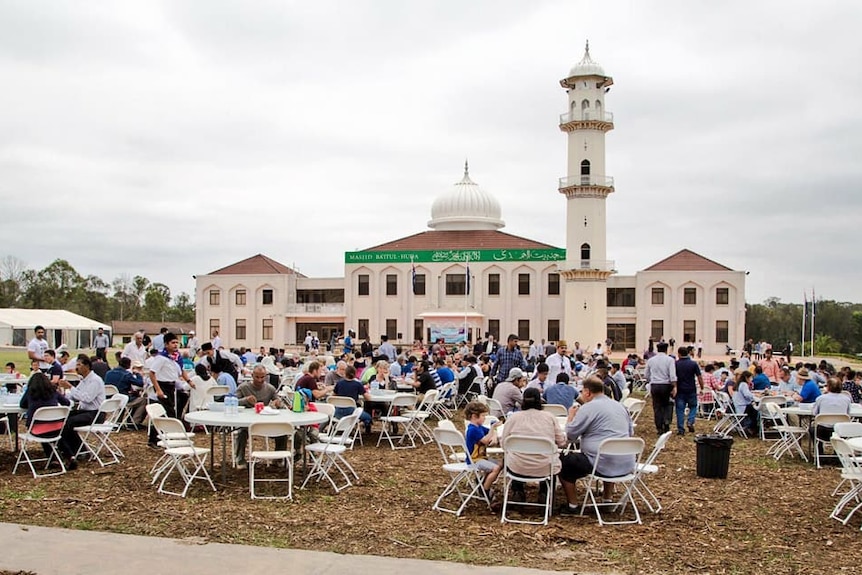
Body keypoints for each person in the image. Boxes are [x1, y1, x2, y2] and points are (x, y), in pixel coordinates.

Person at [559, 376, 635, 514]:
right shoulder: (620, 406)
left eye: (582, 392)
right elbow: (630, 432)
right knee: (609, 450)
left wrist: (571, 416)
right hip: (625, 462)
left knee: (563, 463)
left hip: (599, 462)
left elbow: (571, 434)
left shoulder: (588, 408)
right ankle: (607, 498)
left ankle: (573, 505)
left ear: (587, 392)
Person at [233, 365, 286, 469]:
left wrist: (278, 404)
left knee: (283, 431)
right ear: (252, 376)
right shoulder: (243, 387)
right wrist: (245, 400)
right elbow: (232, 402)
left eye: (262, 377)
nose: (260, 380)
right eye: (257, 377)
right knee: (241, 433)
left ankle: (278, 459)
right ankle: (240, 459)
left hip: (265, 421)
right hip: (247, 422)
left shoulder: (270, 388)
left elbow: (280, 403)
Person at [55, 354, 107, 461]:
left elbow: (87, 398)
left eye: (79, 365)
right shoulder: (84, 380)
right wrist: (61, 394)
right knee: (62, 419)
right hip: (85, 411)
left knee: (69, 423)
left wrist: (70, 387)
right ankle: (71, 449)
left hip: (95, 413)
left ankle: (79, 450)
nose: (76, 367)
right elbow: (74, 396)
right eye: (76, 365)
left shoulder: (95, 380)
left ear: (87, 366)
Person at [19, 372, 74, 469]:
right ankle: (70, 456)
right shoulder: (53, 391)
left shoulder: (30, 392)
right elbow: (67, 402)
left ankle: (53, 459)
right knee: (56, 435)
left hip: (37, 429)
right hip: (57, 426)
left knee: (43, 429)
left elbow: (22, 405)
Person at [146, 333, 190, 447]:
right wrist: (158, 390)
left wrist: (189, 381)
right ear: (166, 344)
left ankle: (166, 435)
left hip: (172, 386)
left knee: (177, 404)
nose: (175, 345)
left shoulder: (176, 357)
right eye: (173, 343)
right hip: (163, 386)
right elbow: (152, 373)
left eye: (177, 342)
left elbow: (181, 370)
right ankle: (155, 439)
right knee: (165, 413)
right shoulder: (161, 358)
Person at [463, 401, 503, 502]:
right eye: (483, 416)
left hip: (481, 457)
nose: (485, 418)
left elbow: (490, 433)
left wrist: (493, 433)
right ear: (474, 416)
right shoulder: (473, 430)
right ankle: (485, 489)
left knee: (501, 463)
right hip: (474, 460)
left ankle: (481, 482)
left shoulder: (479, 427)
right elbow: (485, 440)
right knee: (496, 468)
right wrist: (493, 429)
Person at [645, 342, 677, 434]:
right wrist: (674, 386)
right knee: (667, 404)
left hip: (655, 384)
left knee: (657, 406)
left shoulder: (651, 360)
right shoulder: (670, 360)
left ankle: (659, 427)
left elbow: (646, 375)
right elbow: (672, 375)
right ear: (666, 349)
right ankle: (666, 421)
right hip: (666, 384)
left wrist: (651, 380)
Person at [333, 365, 373, 433]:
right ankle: (359, 427)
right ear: (355, 374)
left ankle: (346, 427)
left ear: (345, 373)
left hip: (337, 412)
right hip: (351, 412)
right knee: (368, 418)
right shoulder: (358, 384)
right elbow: (368, 398)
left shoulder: (339, 384)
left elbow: (333, 396)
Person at [674, 347, 703, 436]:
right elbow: (699, 376)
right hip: (691, 389)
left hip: (680, 390)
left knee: (680, 410)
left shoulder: (676, 364)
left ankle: (681, 428)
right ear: (688, 353)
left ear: (679, 354)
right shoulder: (693, 364)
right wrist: (702, 387)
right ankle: (690, 421)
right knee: (693, 406)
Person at [732, 371, 758, 436]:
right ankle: (752, 428)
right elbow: (747, 395)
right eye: (751, 378)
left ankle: (751, 428)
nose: (751, 379)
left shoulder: (738, 384)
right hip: (743, 407)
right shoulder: (744, 384)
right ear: (746, 378)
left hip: (738, 407)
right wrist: (754, 397)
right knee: (756, 411)